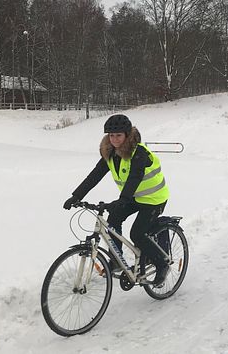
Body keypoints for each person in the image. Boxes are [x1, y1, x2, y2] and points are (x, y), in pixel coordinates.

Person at [63, 114, 171, 285]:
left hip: (153, 199)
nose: (114, 139)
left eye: (118, 135)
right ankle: (116, 260)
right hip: (134, 197)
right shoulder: (110, 153)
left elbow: (135, 177)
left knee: (137, 233)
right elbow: (95, 176)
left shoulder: (139, 153)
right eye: (111, 136)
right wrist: (76, 195)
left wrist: (123, 199)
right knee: (113, 220)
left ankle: (162, 264)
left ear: (127, 135)